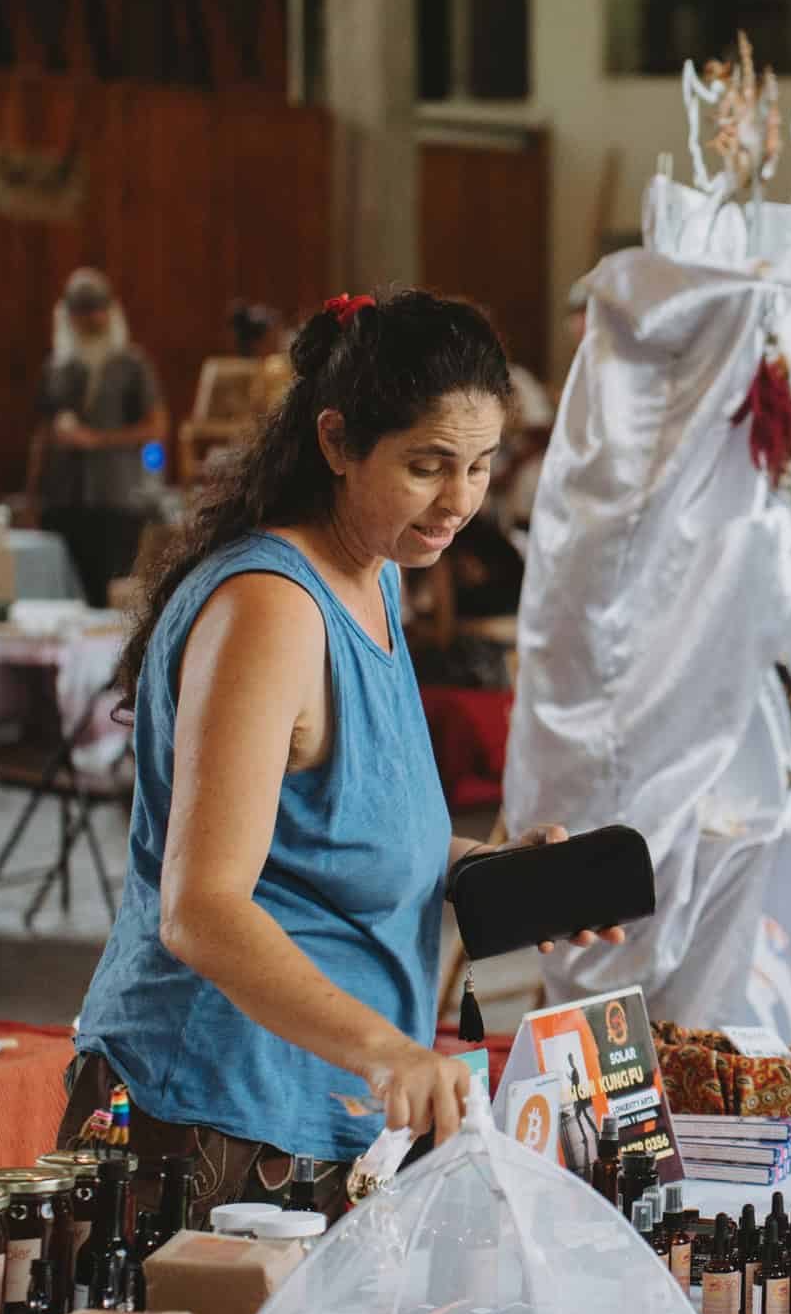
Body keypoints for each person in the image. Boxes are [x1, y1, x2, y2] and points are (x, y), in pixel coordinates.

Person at [61, 290, 625, 1218]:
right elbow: (201, 910)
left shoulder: (375, 577)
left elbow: (331, 837)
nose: (460, 501)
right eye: (427, 466)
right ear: (335, 443)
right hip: (211, 1113)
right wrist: (389, 1051)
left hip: (322, 1111)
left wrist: (490, 871)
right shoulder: (270, 610)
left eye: (481, 467)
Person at [25, 268, 170, 606]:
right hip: (62, 499)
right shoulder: (56, 366)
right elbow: (43, 434)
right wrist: (32, 496)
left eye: (97, 310)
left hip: (115, 499)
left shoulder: (132, 364)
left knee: (108, 597)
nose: (91, 320)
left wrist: (96, 440)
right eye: (82, 312)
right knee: (61, 597)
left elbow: (157, 427)